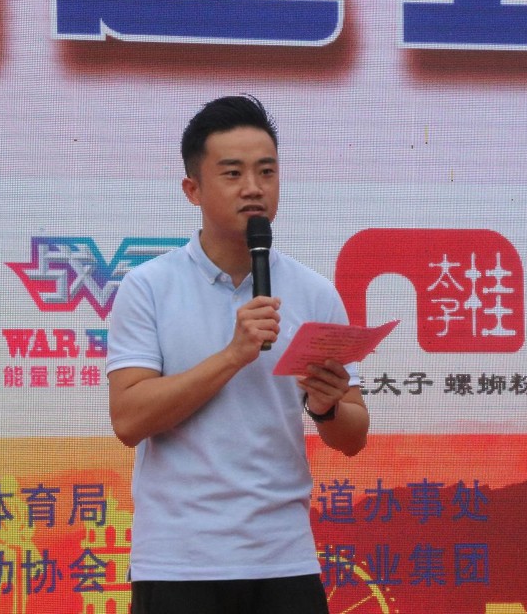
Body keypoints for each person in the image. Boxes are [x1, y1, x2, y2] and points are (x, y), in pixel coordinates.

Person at [106, 95, 369, 614]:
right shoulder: (148, 287)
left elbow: (353, 436)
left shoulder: (314, 292)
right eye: (233, 173)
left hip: (284, 558)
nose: (253, 188)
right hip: (179, 562)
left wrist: (326, 407)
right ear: (193, 190)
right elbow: (129, 420)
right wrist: (233, 355)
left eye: (266, 172)